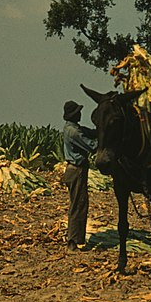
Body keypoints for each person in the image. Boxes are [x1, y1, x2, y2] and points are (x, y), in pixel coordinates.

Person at [61, 100, 97, 252]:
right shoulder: (74, 132)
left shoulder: (72, 128)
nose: (81, 114)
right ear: (75, 114)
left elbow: (87, 132)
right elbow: (92, 146)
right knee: (78, 205)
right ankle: (73, 242)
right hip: (77, 171)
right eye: (79, 112)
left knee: (78, 204)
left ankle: (76, 240)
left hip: (72, 170)